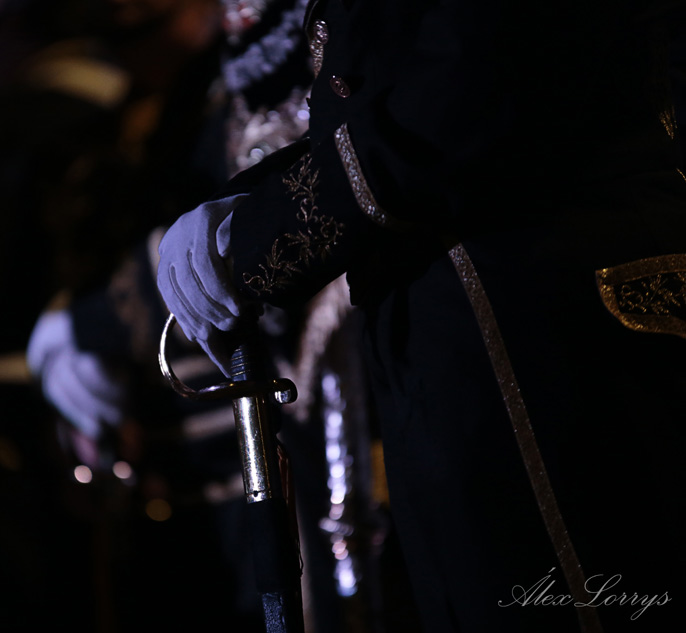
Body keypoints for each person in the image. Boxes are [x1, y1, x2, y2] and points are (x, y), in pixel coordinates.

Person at [156, 1, 686, 631]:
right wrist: (242, 206)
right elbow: (380, 92)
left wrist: (256, 236)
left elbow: (466, 89)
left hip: (550, 338)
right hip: (449, 349)